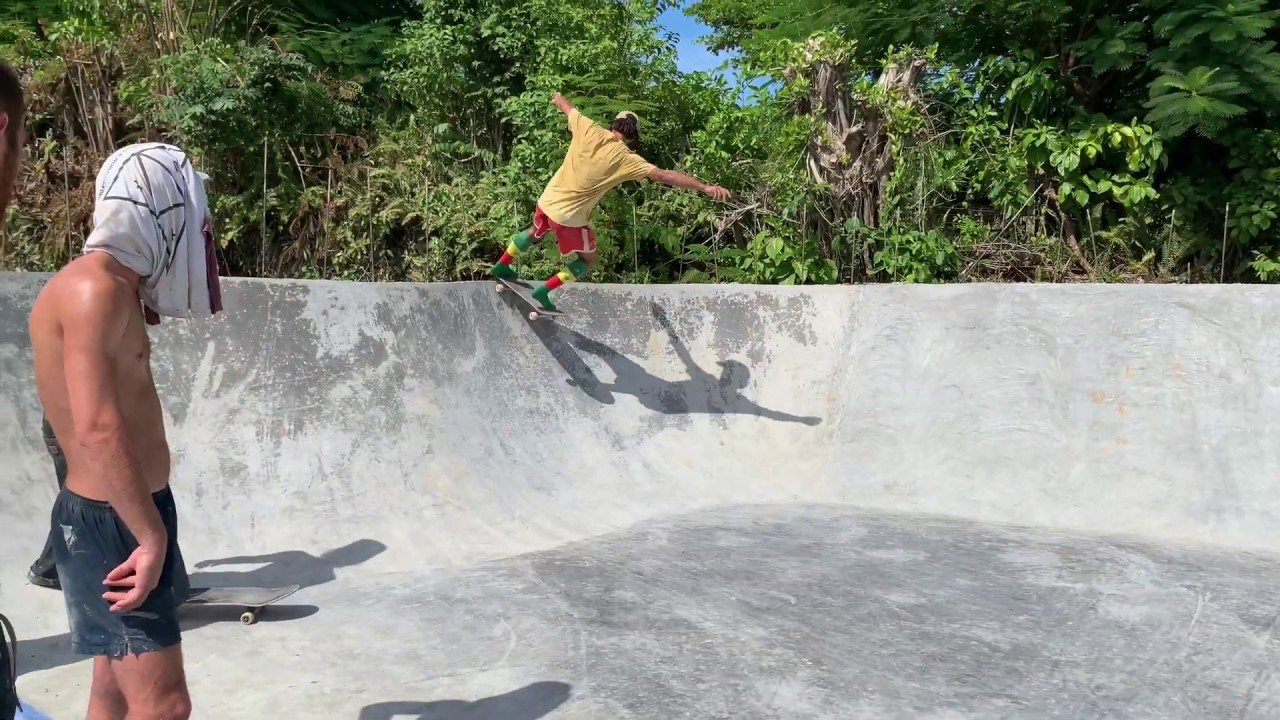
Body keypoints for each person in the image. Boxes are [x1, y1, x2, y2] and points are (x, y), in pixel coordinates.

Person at [28, 142, 222, 720]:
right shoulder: (95, 290)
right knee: (164, 706)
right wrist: (151, 535)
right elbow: (95, 428)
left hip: (119, 514)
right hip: (118, 521)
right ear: (158, 208)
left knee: (112, 692)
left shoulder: (109, 286)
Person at [490, 92, 731, 311]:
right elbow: (663, 175)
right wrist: (704, 187)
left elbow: (564, 104)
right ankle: (545, 290)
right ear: (633, 136)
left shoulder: (588, 127)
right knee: (588, 259)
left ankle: (502, 264)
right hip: (569, 217)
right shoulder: (627, 158)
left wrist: (556, 97)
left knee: (534, 232)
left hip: (547, 200)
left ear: (614, 125)